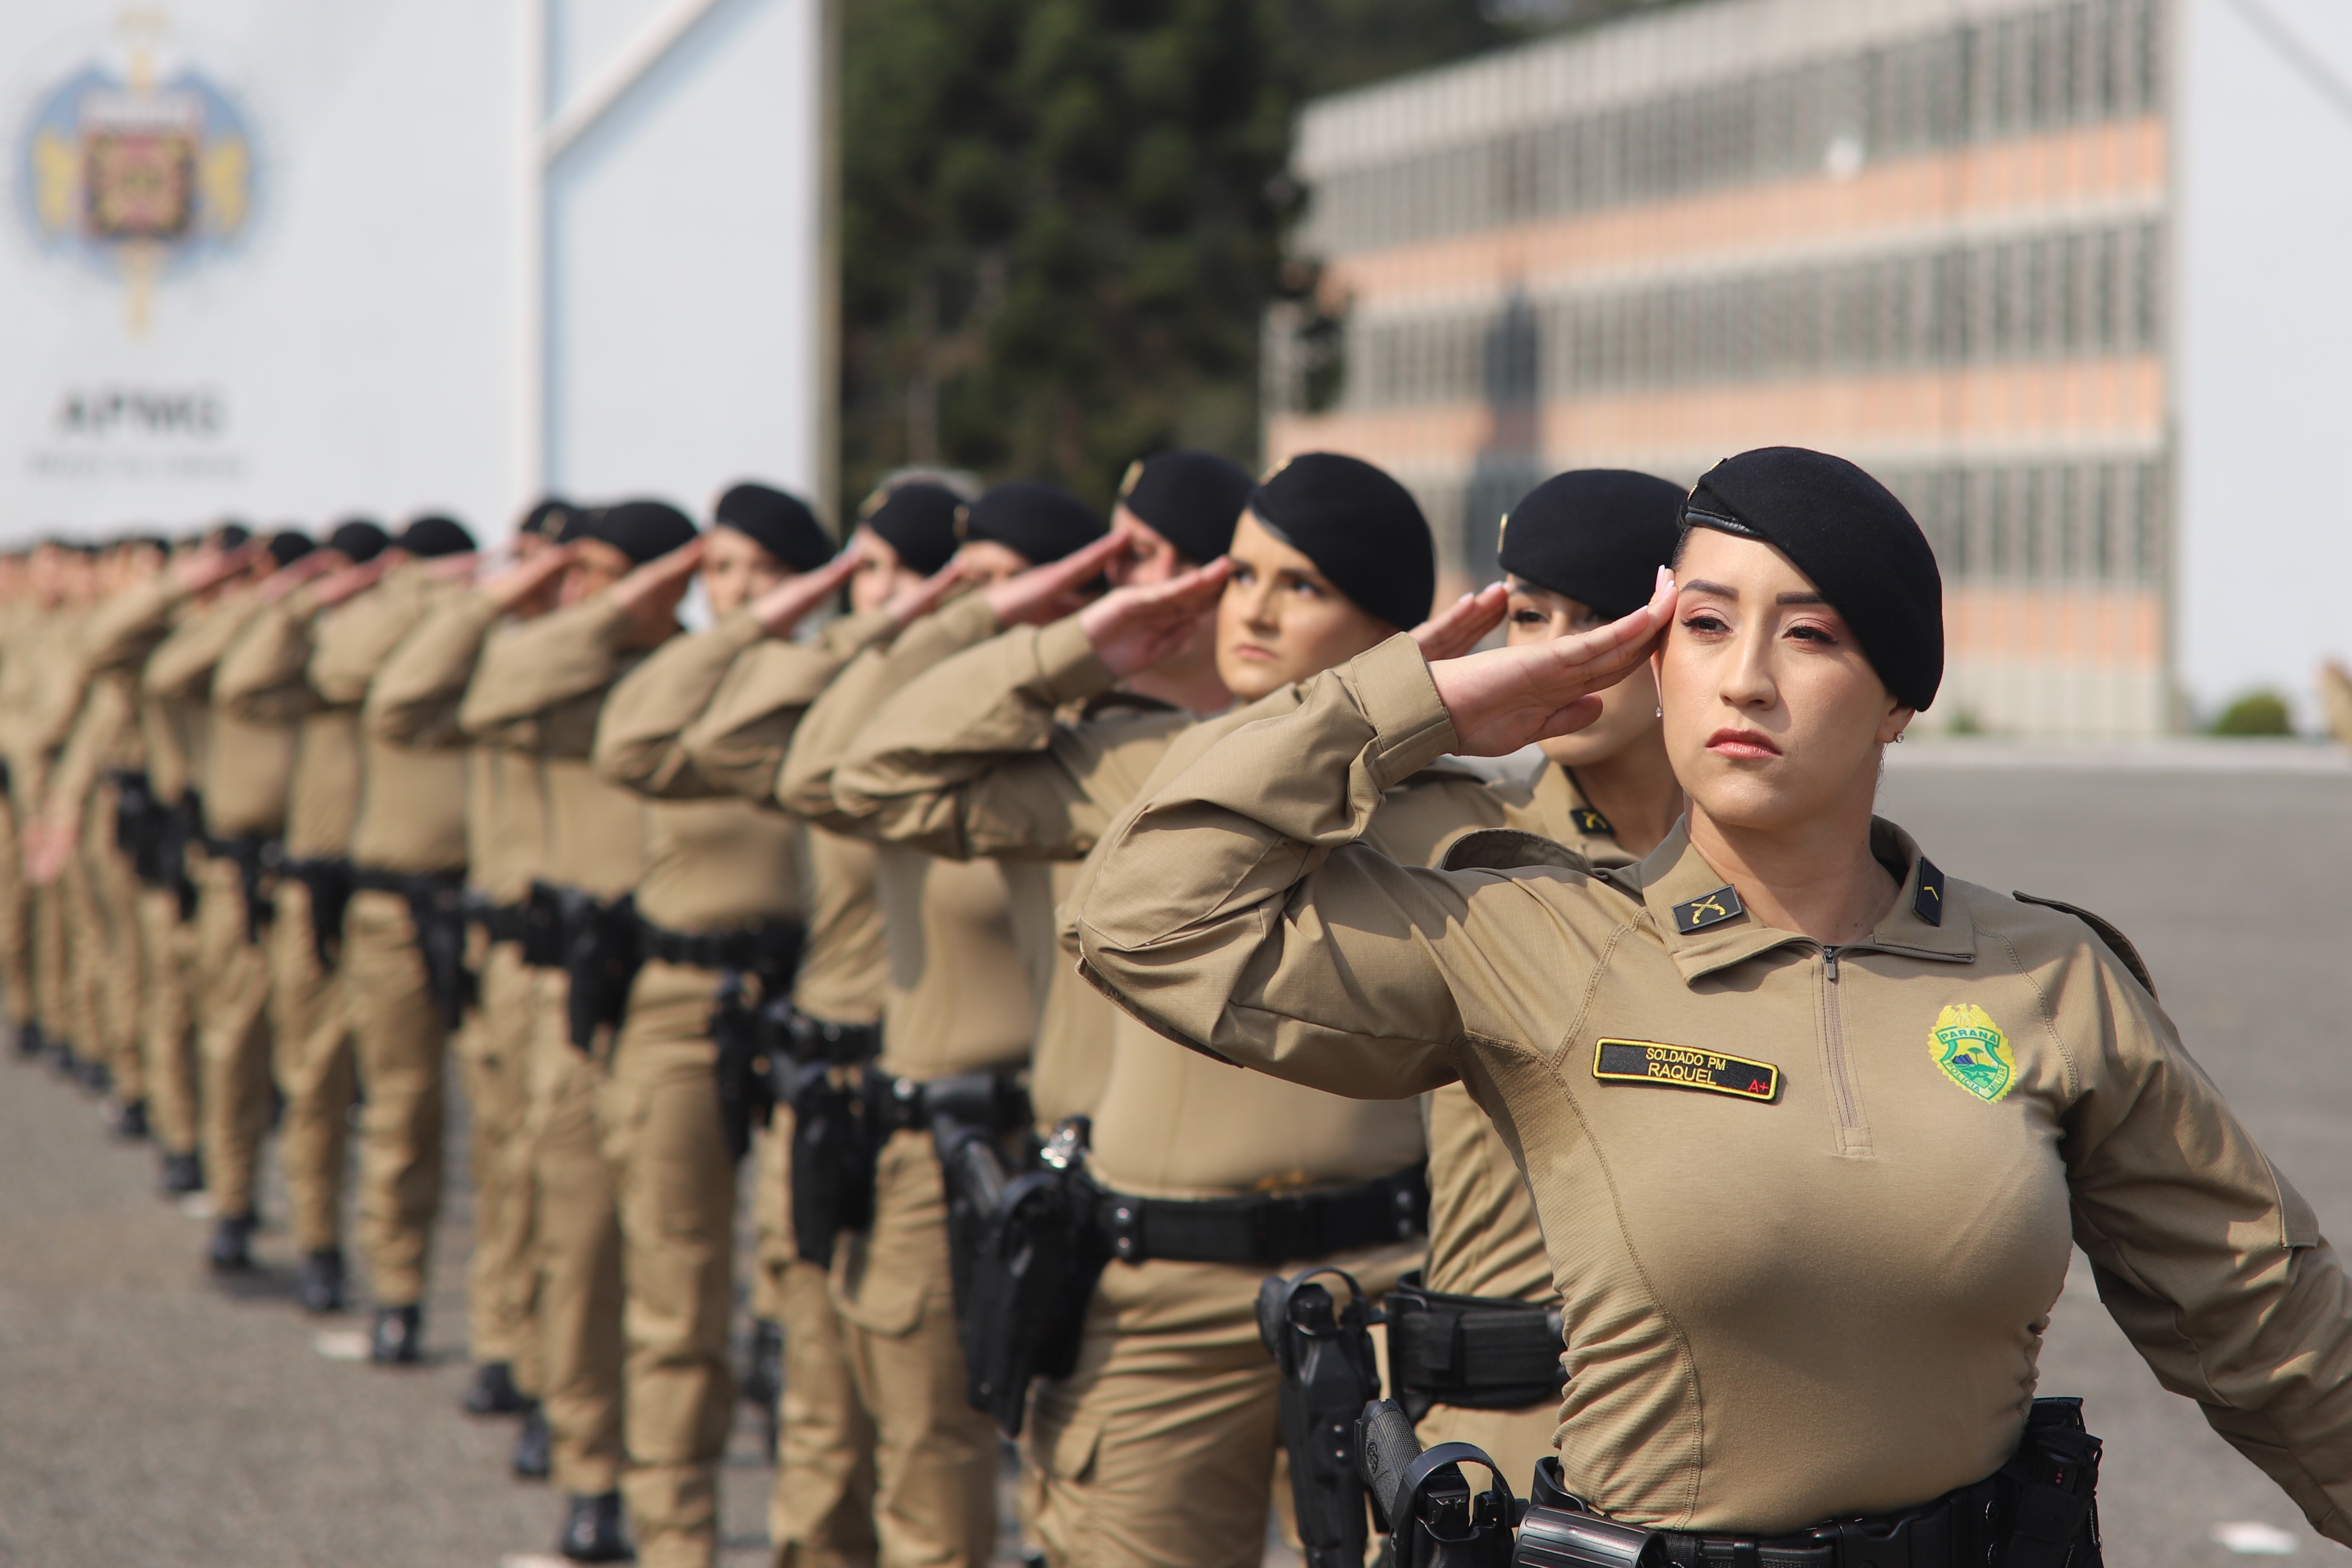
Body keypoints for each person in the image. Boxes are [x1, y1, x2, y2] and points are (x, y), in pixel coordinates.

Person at [1076, 445, 2352, 1557]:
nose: (1745, 678)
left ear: (1899, 697)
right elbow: (1142, 915)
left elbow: (2270, 1327)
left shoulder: (2048, 978)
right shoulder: (1536, 937)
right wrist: (1417, 703)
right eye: (1701, 625)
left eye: (1809, 633)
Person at [770, 453, 1503, 1568]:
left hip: (1383, 1293)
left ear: (1390, 626)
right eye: (1242, 574)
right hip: (1159, 1303)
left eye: (1299, 585)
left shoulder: (1466, 820)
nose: (1249, 606)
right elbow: (858, 774)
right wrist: (1070, 645)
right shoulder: (1153, 772)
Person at [647, 474, 964, 1568]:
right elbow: (647, 739)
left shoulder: (992, 718)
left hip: (937, 1100)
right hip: (822, 1090)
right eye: (854, 571)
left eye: (889, 570)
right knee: (820, 1416)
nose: (867, 594)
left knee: (926, 1437)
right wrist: (801, 627)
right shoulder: (824, 707)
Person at [1389, 469, 1687, 1491]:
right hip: (1506, 1439)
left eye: (1603, 617)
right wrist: (1394, 707)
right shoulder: (1450, 847)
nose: (1561, 651)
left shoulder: (1774, 874)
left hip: (1711, 1436)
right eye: (1529, 616)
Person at [210, 519, 393, 1312]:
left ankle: (396, 1283)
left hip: (395, 907)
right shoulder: (304, 670)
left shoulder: (424, 664)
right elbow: (234, 679)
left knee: (398, 1108)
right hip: (303, 894)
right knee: (298, 1075)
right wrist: (289, 605)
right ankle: (306, 1232)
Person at [329, 514, 479, 1359]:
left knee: (514, 1145)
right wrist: (424, 593)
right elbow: (351, 671)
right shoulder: (406, 643)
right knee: (402, 1110)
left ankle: (507, 1340)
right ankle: (397, 1288)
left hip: (492, 916)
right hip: (393, 912)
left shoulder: (511, 647)